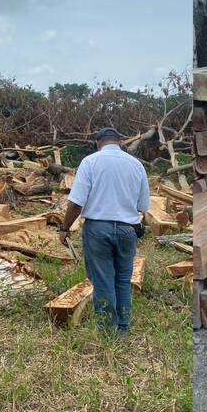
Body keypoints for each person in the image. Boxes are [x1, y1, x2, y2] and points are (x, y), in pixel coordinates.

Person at [59, 127, 150, 334]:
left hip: (98, 229)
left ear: (98, 143)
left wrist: (64, 228)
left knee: (103, 279)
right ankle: (123, 327)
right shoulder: (136, 165)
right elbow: (142, 205)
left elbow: (76, 204)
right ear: (120, 142)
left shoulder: (90, 162)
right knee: (122, 279)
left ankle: (108, 330)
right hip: (128, 230)